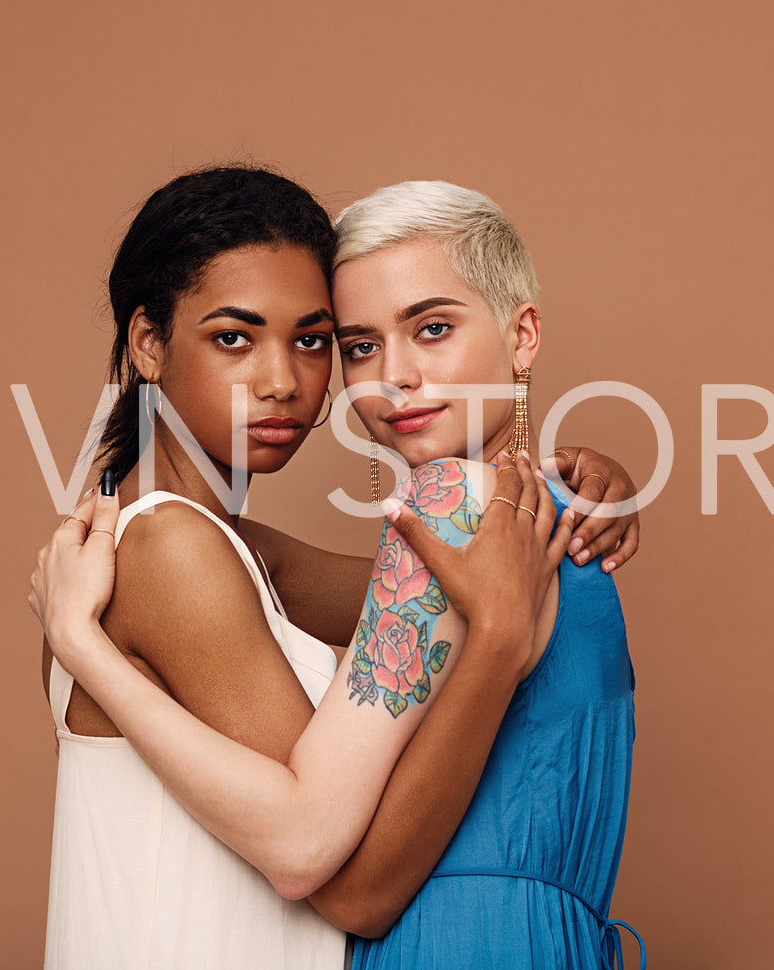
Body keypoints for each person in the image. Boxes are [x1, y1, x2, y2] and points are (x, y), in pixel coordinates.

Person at [31, 166, 641, 969]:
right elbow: (315, 850)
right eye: (232, 337)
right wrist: (78, 644)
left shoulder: (241, 549)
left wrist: (588, 488)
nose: (283, 381)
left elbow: (410, 591)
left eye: (313, 341)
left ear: (520, 333)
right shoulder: (170, 548)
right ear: (148, 343)